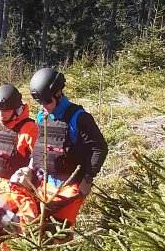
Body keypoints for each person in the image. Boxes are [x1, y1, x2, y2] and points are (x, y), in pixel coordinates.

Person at [29, 67, 108, 226]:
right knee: (38, 227)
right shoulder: (41, 116)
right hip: (44, 182)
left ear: (58, 94)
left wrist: (88, 179)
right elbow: (41, 145)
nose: (44, 106)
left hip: (71, 185)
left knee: (60, 231)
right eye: (40, 102)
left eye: (47, 101)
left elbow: (100, 148)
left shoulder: (79, 118)